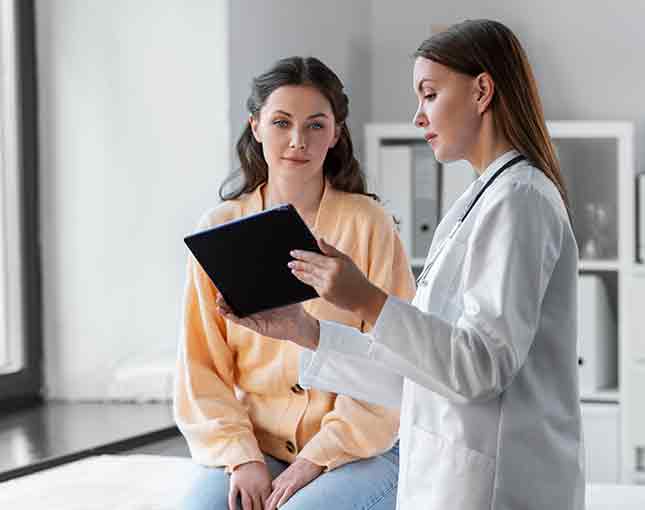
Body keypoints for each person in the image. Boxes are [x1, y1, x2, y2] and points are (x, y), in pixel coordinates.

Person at [218, 20, 585, 510]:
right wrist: (305, 330)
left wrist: (365, 299)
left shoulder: (519, 199)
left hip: (498, 486)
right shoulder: (481, 201)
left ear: (482, 90)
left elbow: (479, 369)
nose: (418, 116)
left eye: (429, 94)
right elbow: (418, 374)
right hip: (452, 476)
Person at [174, 56, 416, 510]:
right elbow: (200, 368)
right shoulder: (221, 229)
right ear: (256, 126)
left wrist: (316, 460)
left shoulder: (369, 225)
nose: (297, 141)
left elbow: (395, 361)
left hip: (362, 446)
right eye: (282, 123)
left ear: (336, 133)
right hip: (256, 445)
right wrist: (242, 457)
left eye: (316, 125)